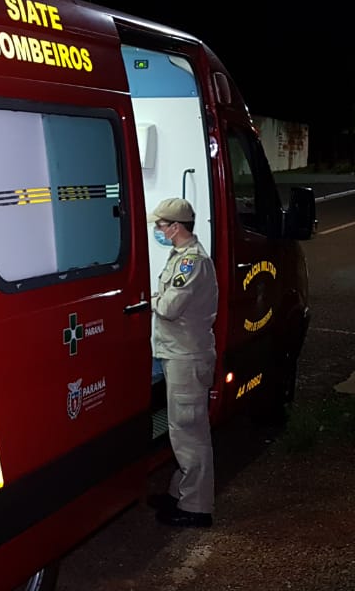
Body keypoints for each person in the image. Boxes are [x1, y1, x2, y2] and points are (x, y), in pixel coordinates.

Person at [148, 197, 219, 528]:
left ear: (175, 227)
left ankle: (196, 508)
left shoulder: (191, 263)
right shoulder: (181, 257)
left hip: (187, 357)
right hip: (179, 354)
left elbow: (169, 307)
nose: (158, 232)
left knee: (189, 433)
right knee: (182, 431)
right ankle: (181, 493)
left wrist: (150, 300)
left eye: (160, 227)